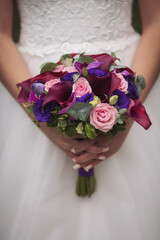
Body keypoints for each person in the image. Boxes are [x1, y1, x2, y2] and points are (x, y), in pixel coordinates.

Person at [0, 0, 160, 239]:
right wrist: (42, 118)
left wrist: (126, 114)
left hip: (127, 77)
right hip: (34, 86)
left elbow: (156, 21)